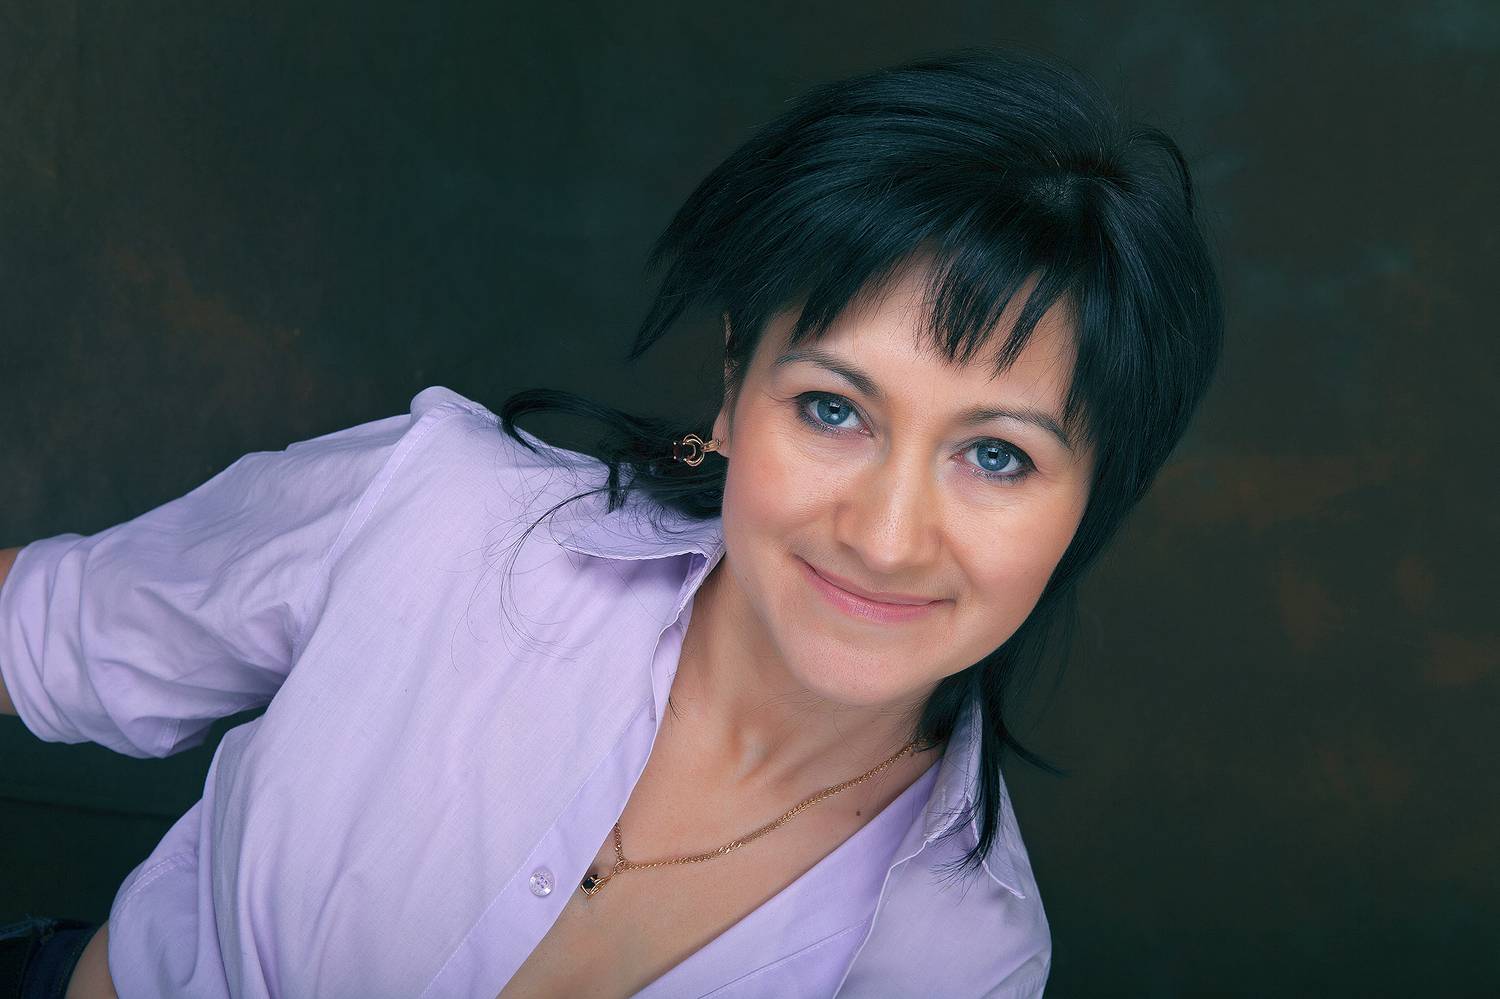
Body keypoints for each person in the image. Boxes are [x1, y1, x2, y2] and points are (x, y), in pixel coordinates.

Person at [0, 46, 1223, 998]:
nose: (887, 535)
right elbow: (33, 632)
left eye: (998, 455)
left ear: (1091, 500)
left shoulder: (962, 958)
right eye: (833, 410)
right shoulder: (443, 517)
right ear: (735, 388)